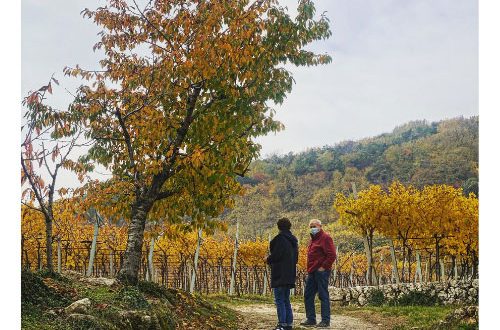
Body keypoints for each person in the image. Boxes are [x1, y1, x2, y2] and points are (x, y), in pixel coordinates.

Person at [300, 219, 337, 328]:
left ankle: (325, 321)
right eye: (310, 226)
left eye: (314, 226)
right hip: (312, 271)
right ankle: (311, 319)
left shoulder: (325, 237)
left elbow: (332, 255)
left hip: (321, 271)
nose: (312, 228)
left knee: (323, 295)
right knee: (308, 295)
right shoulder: (313, 239)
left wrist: (323, 267)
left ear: (320, 226)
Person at [265, 217, 299, 330]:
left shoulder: (280, 239)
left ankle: (281, 325)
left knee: (279, 300)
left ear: (278, 227)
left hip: (279, 274)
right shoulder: (293, 241)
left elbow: (276, 256)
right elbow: (296, 259)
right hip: (290, 274)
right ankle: (288, 324)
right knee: (286, 299)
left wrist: (268, 259)